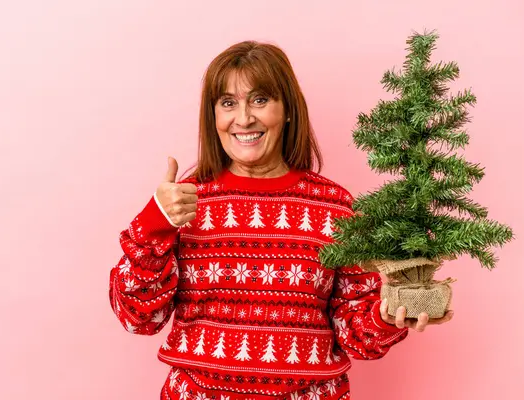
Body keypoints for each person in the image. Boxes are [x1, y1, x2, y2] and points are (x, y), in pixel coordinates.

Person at [109, 41, 454, 400]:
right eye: (228, 103)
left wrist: (388, 317)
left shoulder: (335, 206)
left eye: (259, 100)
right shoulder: (183, 202)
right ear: (213, 117)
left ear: (287, 109)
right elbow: (137, 316)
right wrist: (154, 222)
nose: (243, 118)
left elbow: (356, 335)